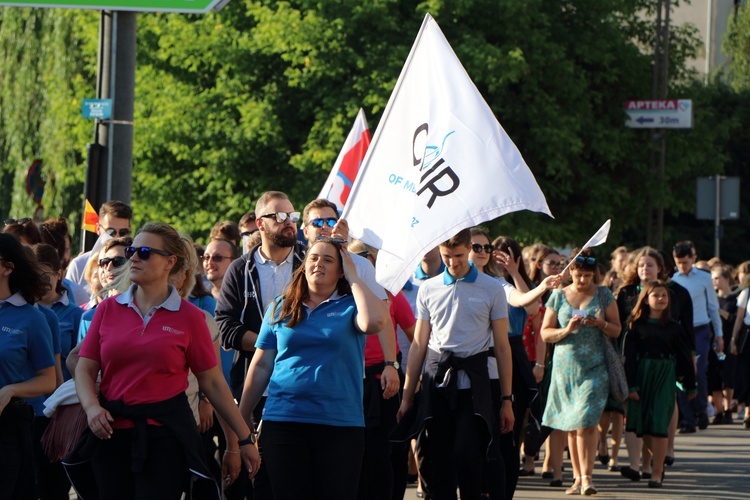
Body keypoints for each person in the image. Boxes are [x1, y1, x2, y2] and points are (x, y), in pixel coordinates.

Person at [70, 222, 260, 499]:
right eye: (133, 250)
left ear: (170, 262)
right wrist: (91, 409)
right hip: (109, 433)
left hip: (166, 438)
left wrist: (243, 440)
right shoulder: (107, 310)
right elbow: (84, 367)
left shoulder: (192, 318)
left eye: (145, 252)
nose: (133, 257)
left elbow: (214, 383)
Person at [238, 237, 388, 499]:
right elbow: (261, 366)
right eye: (313, 258)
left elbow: (375, 322)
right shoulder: (280, 306)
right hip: (283, 423)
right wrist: (240, 424)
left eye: (328, 259)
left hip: (340, 427)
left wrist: (353, 276)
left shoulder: (352, 306)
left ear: (340, 270)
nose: (319, 263)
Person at [397, 228, 513, 500]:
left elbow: (503, 346)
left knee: (467, 454)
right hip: (437, 380)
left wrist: (506, 399)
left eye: (459, 255)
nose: (453, 262)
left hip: (474, 382)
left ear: (469, 250)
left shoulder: (492, 289)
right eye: (447, 256)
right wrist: (406, 396)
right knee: (438, 458)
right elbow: (418, 345)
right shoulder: (429, 288)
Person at [540, 250, 621, 496]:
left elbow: (617, 330)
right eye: (579, 275)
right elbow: (545, 333)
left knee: (587, 421)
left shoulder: (604, 294)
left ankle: (587, 478)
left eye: (588, 276)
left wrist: (601, 324)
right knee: (573, 426)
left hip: (595, 368)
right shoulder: (558, 296)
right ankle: (577, 478)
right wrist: (567, 329)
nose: (584, 281)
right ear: (570, 273)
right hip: (565, 369)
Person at [0, 233, 56, 498]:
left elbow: (48, 380)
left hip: (7, 431)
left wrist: (10, 391)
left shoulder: (32, 318)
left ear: (7, 268)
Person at [624, 281, 696, 488]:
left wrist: (690, 385)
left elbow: (684, 356)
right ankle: (654, 461)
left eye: (664, 295)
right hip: (643, 374)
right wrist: (632, 385)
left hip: (665, 375)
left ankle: (657, 472)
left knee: (658, 423)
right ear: (646, 299)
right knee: (645, 426)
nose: (661, 299)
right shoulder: (635, 325)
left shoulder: (674, 327)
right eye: (656, 295)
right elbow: (628, 357)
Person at [671, 241, 723, 433]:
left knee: (698, 372)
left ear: (693, 259)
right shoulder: (674, 280)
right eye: (678, 262)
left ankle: (701, 409)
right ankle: (687, 418)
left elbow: (713, 307)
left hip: (700, 329)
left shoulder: (704, 278)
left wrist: (719, 334)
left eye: (685, 261)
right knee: (682, 374)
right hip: (681, 331)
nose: (682, 266)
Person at [65, 200, 133, 291]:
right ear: (98, 229)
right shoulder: (79, 265)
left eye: (123, 232)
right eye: (111, 232)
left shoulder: (136, 263)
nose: (117, 237)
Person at [730, 277, 750, 429]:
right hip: (748, 337)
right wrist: (733, 339)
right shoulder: (746, 293)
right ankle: (748, 409)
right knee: (745, 375)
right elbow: (739, 318)